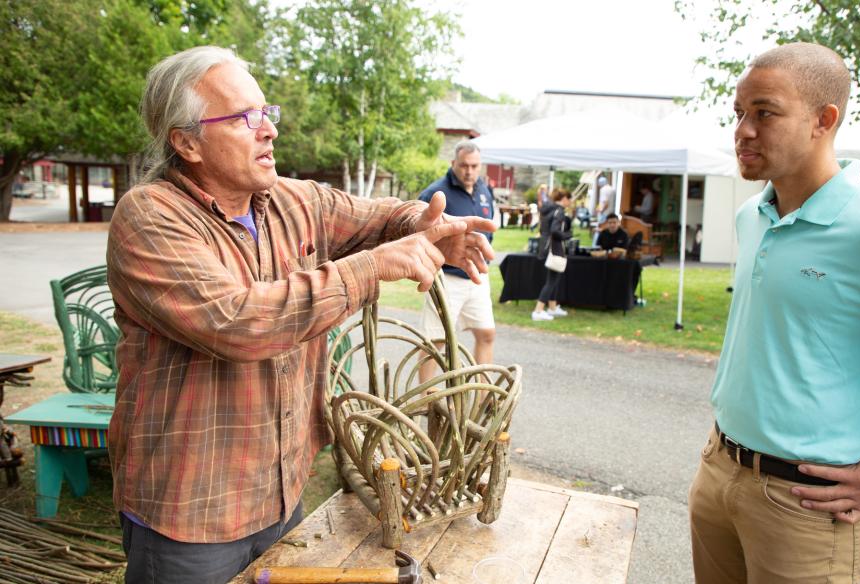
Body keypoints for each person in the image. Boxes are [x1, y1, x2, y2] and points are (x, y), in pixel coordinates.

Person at [105, 46, 496, 584]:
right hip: (190, 512)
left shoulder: (293, 200)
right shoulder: (150, 216)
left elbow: (380, 217)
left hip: (281, 491)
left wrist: (426, 228)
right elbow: (239, 322)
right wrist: (372, 268)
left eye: (268, 113)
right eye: (245, 118)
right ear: (186, 142)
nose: (268, 130)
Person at [688, 42, 860, 584]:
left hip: (805, 509)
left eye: (764, 112)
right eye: (738, 113)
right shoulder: (754, 215)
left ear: (824, 120)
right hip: (718, 472)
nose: (742, 130)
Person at [417, 141, 496, 383]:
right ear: (453, 164)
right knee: (436, 340)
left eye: (474, 166)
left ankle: (484, 397)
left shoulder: (484, 190)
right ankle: (427, 399)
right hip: (446, 277)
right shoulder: (436, 193)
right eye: (464, 165)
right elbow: (416, 235)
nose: (469, 171)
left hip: (477, 276)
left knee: (486, 334)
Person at [532, 188, 573, 321]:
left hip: (545, 246)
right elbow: (555, 231)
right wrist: (568, 235)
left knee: (553, 279)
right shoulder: (559, 211)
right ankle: (538, 311)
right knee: (552, 281)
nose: (570, 202)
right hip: (554, 248)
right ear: (564, 198)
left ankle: (553, 307)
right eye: (569, 199)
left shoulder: (548, 209)